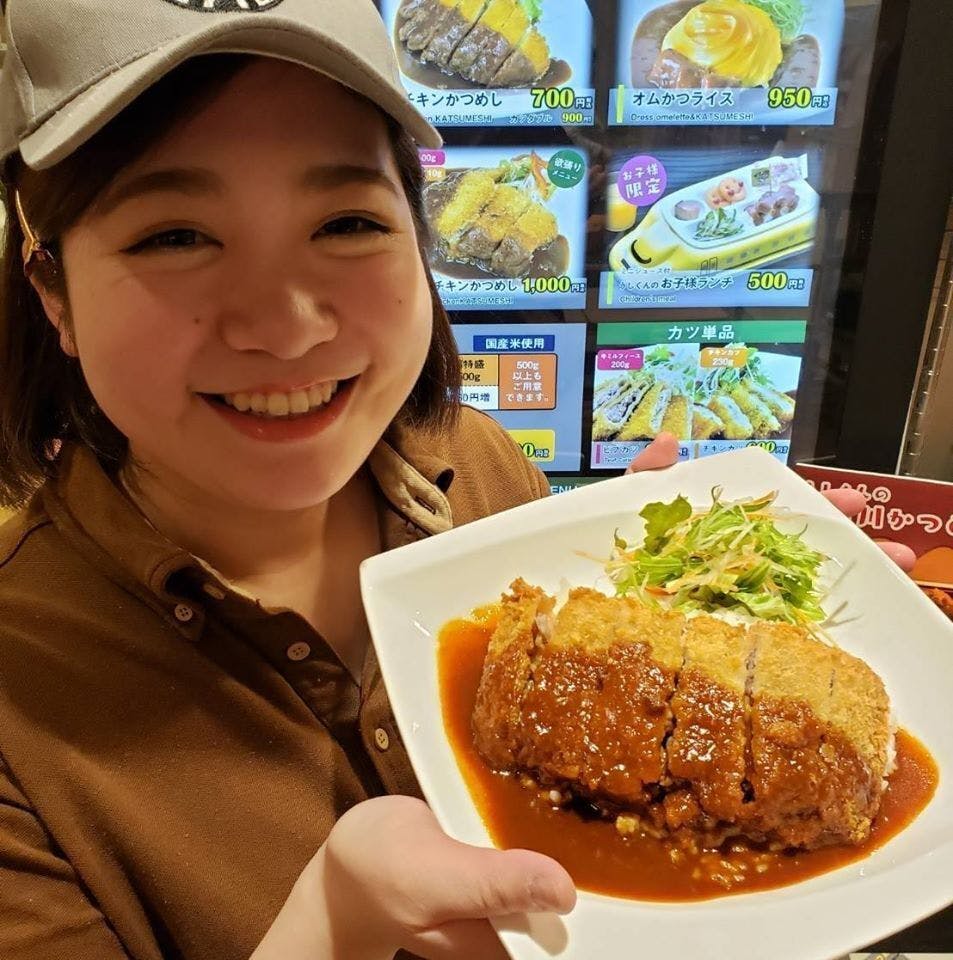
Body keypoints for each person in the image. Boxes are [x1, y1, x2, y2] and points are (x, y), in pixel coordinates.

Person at [0, 3, 914, 959]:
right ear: (51, 292)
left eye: (346, 221)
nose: (288, 327)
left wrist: (675, 592)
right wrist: (336, 927)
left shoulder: (474, 457)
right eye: (175, 237)